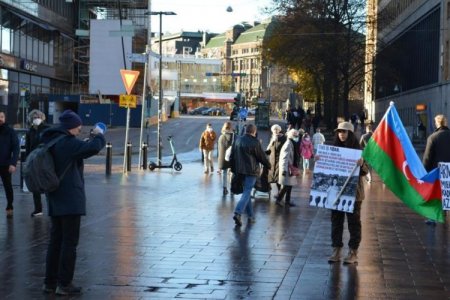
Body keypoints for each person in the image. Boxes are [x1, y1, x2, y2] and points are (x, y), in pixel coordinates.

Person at [42, 110, 106, 295]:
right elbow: (92, 148)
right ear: (70, 127)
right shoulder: (68, 143)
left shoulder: (53, 140)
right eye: (78, 126)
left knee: (55, 242)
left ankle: (49, 282)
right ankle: (65, 284)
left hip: (55, 197)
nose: (80, 128)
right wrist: (98, 135)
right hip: (70, 199)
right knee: (69, 243)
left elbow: (77, 151)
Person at [326, 121, 368, 264]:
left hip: (354, 194)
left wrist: (362, 164)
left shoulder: (359, 150)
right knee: (336, 222)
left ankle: (353, 252)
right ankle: (336, 250)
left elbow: (365, 171)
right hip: (337, 193)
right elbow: (326, 168)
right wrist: (320, 160)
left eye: (344, 132)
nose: (341, 134)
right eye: (339, 132)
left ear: (350, 134)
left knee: (353, 223)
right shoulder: (333, 149)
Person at [232, 124, 271, 226]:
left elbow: (233, 155)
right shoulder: (255, 142)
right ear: (254, 132)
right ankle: (238, 212)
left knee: (246, 192)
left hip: (240, 170)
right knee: (247, 192)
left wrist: (233, 169)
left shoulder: (238, 140)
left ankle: (250, 216)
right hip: (251, 171)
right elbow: (261, 157)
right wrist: (269, 165)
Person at [422, 114, 450, 225]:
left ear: (437, 123)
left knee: (435, 194)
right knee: (446, 191)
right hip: (449, 169)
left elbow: (427, 157)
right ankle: (444, 213)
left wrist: (425, 171)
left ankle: (433, 218)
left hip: (437, 170)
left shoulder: (433, 137)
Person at [25, 109, 50, 217]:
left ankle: (51, 207)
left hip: (44, 159)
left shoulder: (46, 129)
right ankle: (38, 209)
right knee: (35, 184)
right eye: (34, 117)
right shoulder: (30, 131)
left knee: (48, 183)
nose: (36, 119)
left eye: (38, 117)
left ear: (42, 118)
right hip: (33, 160)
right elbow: (28, 146)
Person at [0, 110, 19, 217]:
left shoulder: (10, 131)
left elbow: (16, 148)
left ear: (5, 118)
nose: (0, 119)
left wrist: (13, 163)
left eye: (1, 116)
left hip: (6, 164)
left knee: (8, 186)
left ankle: (10, 205)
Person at [276, 129, 300, 207]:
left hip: (291, 167)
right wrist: (284, 169)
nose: (297, 137)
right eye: (295, 136)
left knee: (289, 185)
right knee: (286, 186)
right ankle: (279, 199)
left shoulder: (292, 143)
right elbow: (284, 158)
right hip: (288, 168)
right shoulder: (288, 144)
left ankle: (287, 201)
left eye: (297, 136)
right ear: (291, 136)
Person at [266, 124, 286, 195]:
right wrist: (272, 142)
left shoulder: (283, 138)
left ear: (279, 130)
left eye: (277, 129)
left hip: (279, 161)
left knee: (278, 178)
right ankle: (272, 192)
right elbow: (268, 151)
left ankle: (280, 194)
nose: (275, 131)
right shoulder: (272, 138)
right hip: (272, 161)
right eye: (274, 129)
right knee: (271, 178)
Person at [217, 121, 234, 195]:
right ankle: (232, 188)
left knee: (224, 172)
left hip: (222, 158)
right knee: (232, 172)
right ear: (231, 127)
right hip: (232, 157)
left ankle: (224, 188)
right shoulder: (233, 137)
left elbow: (219, 149)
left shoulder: (221, 137)